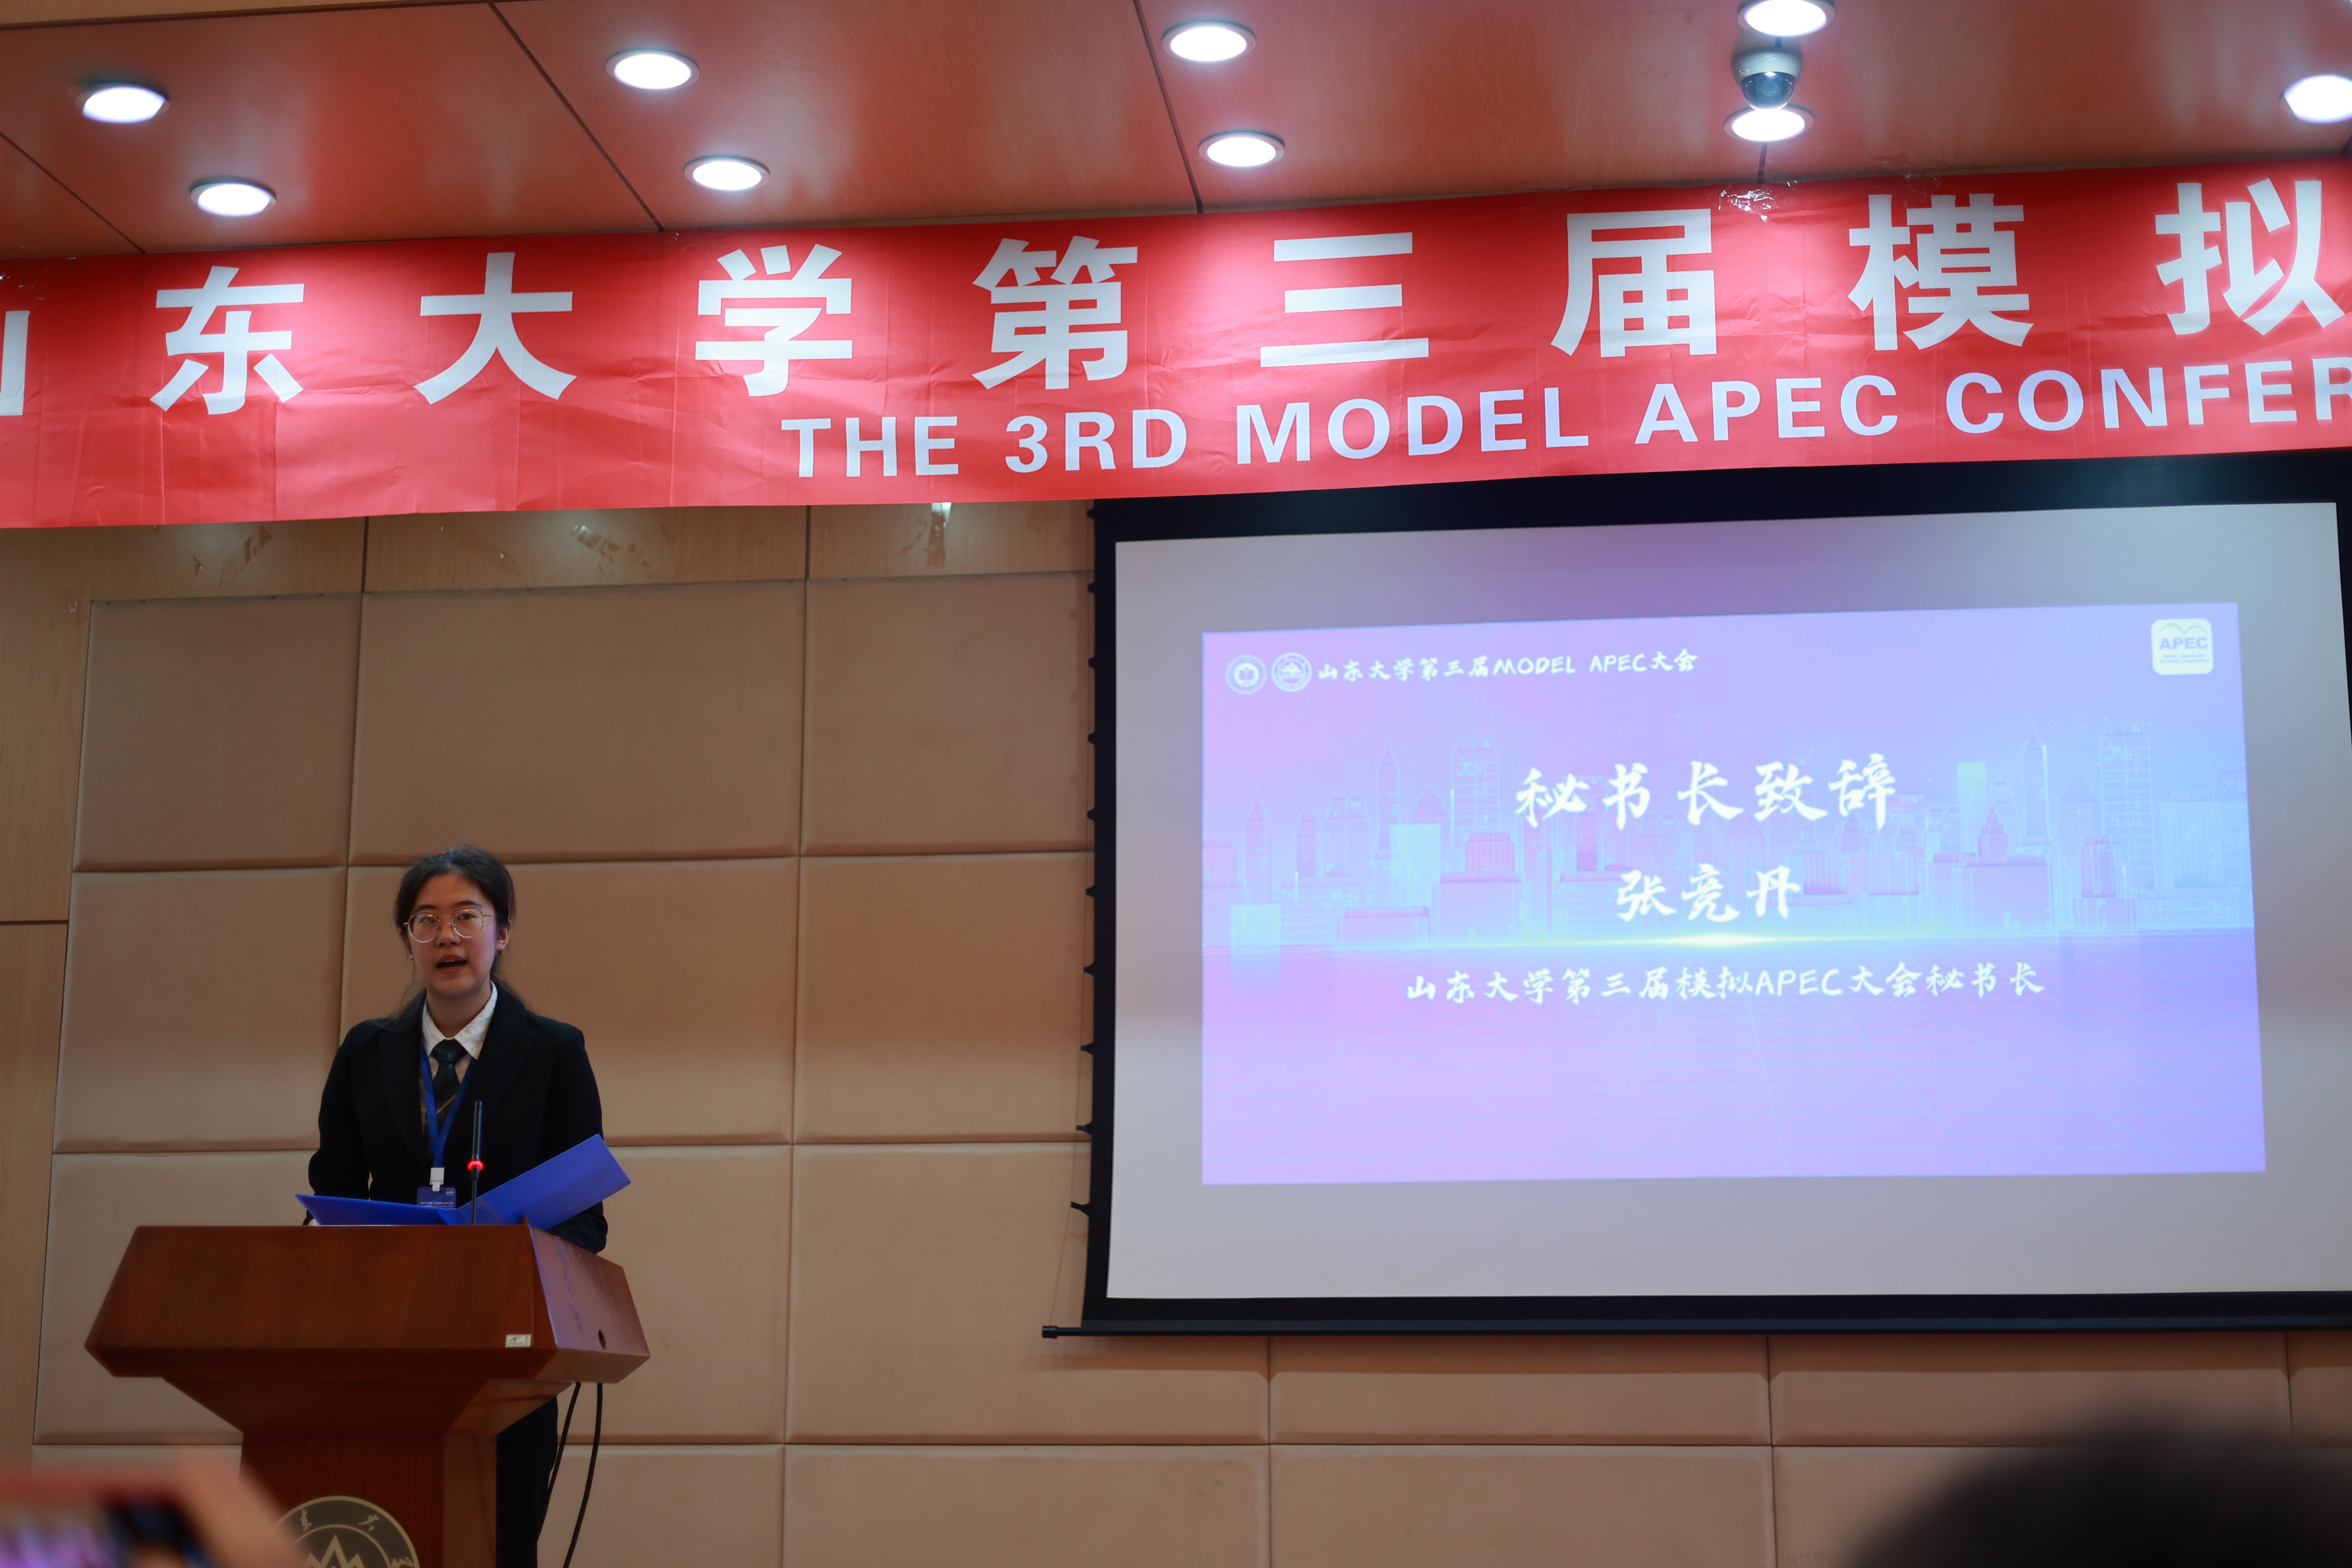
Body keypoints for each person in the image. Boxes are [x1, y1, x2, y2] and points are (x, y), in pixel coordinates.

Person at [309, 844, 605, 1568]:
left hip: (505, 1353)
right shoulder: (366, 1053)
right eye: (427, 920)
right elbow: (334, 1193)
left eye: (467, 916)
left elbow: (586, 1219)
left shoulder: (553, 1052)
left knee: (498, 1545)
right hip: (389, 1343)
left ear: (502, 933)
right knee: (389, 1537)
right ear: (409, 940)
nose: (447, 935)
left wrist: (508, 1254)